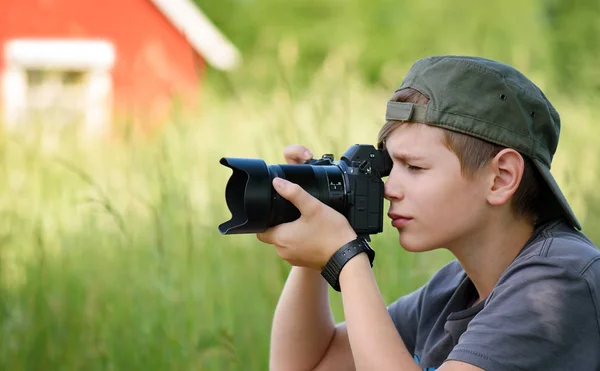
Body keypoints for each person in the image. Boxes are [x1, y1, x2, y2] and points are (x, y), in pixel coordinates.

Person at [256, 56, 600, 371]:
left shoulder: (558, 283)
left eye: (415, 167)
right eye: (392, 165)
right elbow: (306, 366)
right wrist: (317, 216)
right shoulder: (450, 292)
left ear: (501, 178)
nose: (390, 187)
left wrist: (346, 257)